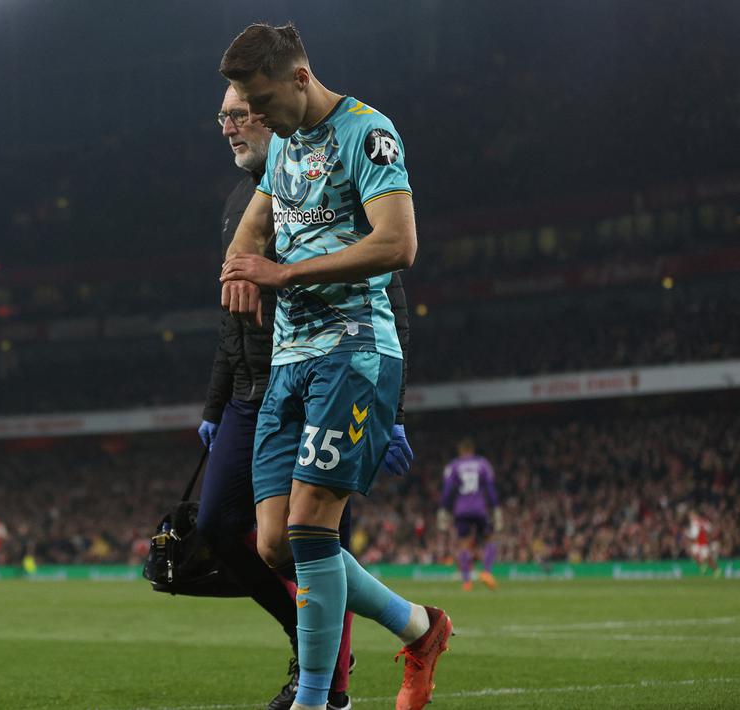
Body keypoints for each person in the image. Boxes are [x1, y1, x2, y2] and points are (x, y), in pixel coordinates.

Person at [217, 23, 450, 710]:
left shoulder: (367, 132)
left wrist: (281, 274)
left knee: (311, 527)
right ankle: (419, 626)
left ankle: (316, 701)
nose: (255, 117)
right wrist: (240, 264)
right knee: (271, 545)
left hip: (353, 351)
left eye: (261, 99)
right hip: (288, 363)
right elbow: (255, 221)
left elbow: (398, 244)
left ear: (297, 76)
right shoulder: (285, 142)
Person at [438, 438, 501, 591]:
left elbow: (448, 490)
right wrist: (495, 507)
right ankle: (486, 572)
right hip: (480, 508)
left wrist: (444, 509)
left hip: (461, 510)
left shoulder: (454, 466)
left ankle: (467, 582)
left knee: (464, 544)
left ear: (460, 451)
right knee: (490, 538)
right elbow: (490, 488)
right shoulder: (483, 464)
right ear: (472, 450)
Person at [686, 511, 721, 578]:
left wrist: (709, 537)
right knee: (693, 553)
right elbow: (694, 535)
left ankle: (716, 570)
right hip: (697, 543)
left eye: (692, 515)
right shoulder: (694, 523)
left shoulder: (703, 522)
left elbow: (709, 530)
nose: (690, 517)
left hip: (704, 543)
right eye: (690, 516)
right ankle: (703, 566)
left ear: (696, 515)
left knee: (708, 558)